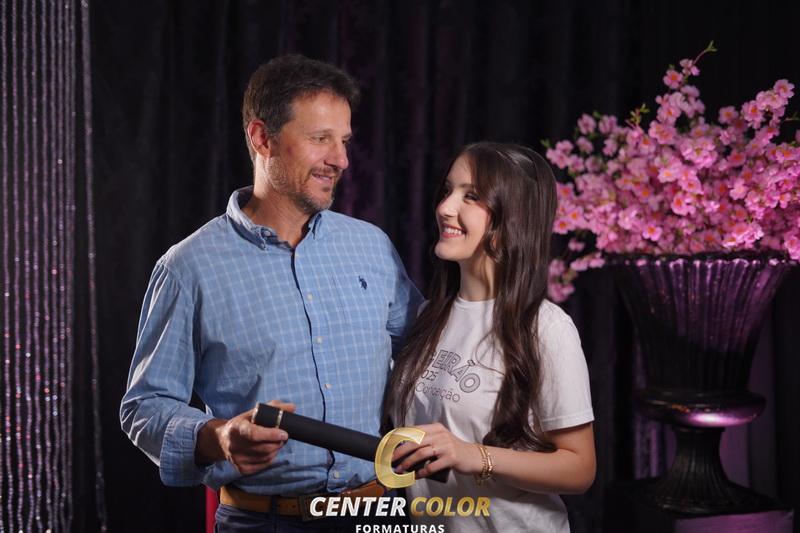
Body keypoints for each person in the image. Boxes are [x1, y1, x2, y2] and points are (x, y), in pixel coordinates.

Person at [120, 54, 422, 531]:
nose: (341, 160)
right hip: (262, 522)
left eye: (344, 141)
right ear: (262, 138)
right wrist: (218, 436)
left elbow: (428, 356)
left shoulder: (372, 247)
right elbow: (144, 405)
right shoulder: (187, 268)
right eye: (320, 139)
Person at [385, 142, 595, 532]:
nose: (445, 207)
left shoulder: (546, 328)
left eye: (471, 196)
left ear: (511, 217)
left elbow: (580, 468)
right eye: (448, 191)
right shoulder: (425, 317)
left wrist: (474, 456)